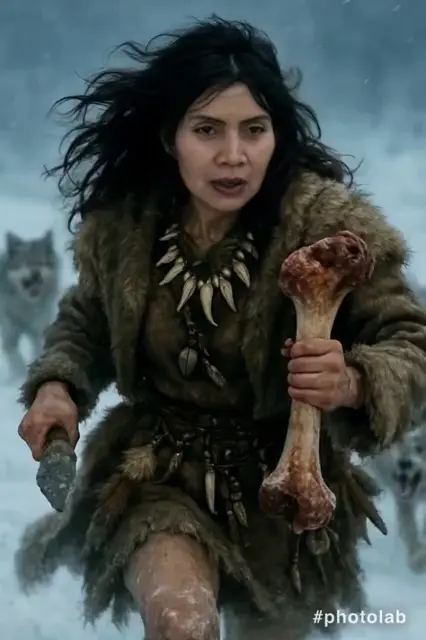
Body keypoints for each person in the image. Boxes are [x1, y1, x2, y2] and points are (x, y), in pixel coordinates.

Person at [14, 16, 426, 640]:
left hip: (289, 487)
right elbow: (87, 322)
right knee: (181, 624)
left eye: (253, 130)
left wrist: (354, 381)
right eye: (207, 130)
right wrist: (57, 389)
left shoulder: (328, 232)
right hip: (158, 471)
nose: (233, 154)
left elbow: (412, 343)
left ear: (275, 135)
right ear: (170, 136)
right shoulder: (128, 228)